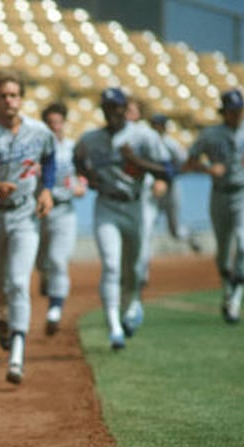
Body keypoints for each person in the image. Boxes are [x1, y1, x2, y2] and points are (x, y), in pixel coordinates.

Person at [73, 87, 172, 349]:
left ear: (125, 108)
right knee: (112, 265)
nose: (112, 112)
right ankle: (115, 327)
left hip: (135, 207)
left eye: (116, 107)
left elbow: (167, 169)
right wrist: (88, 176)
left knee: (136, 270)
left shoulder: (143, 135)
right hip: (107, 205)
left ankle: (131, 306)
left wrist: (135, 160)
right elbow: (77, 158)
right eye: (107, 107)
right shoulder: (91, 138)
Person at [0, 70, 55, 383]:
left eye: (14, 95)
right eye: (3, 95)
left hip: (25, 214)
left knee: (19, 281)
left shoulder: (38, 131)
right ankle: (5, 316)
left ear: (21, 98)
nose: (9, 101)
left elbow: (49, 158)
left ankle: (17, 354)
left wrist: (47, 189)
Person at [183, 89, 244, 323]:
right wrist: (208, 169)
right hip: (220, 194)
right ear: (224, 112)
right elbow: (190, 161)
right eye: (232, 110)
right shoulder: (210, 134)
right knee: (223, 251)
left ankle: (235, 300)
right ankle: (227, 291)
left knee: (243, 243)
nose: (236, 114)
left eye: (239, 110)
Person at [36, 102, 88, 335]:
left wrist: (81, 186)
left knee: (58, 259)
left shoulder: (72, 148)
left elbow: (83, 173)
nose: (55, 126)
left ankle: (55, 310)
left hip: (64, 210)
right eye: (51, 123)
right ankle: (46, 277)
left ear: (64, 123)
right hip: (38, 211)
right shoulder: (37, 147)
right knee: (41, 262)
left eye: (58, 122)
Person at [139, 113, 201, 284]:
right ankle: (143, 272)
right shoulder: (144, 143)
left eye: (160, 125)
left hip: (171, 190)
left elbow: (185, 164)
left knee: (175, 231)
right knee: (146, 230)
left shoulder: (171, 144)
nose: (157, 128)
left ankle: (190, 235)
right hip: (151, 192)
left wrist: (167, 177)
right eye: (155, 125)